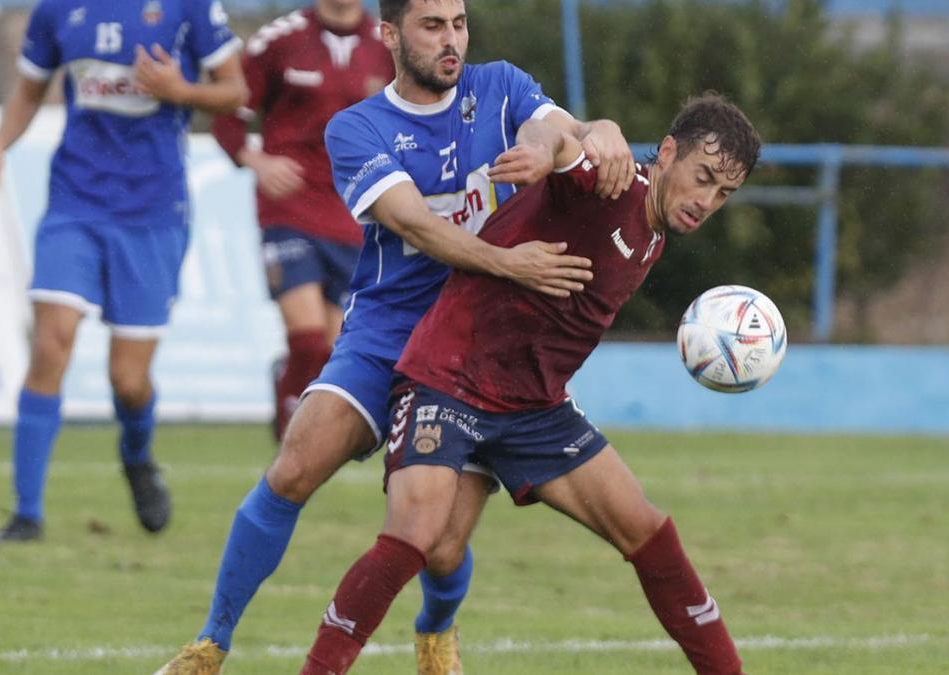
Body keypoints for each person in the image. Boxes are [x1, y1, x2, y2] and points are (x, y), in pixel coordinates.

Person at [156, 0, 635, 672]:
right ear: (390, 35)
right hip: (387, 332)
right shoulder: (356, 127)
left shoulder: (500, 87)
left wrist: (599, 130)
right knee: (294, 465)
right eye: (432, 25)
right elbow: (413, 223)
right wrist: (508, 261)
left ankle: (436, 631)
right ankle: (210, 643)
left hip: (477, 347)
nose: (451, 40)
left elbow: (567, 130)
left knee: (438, 546)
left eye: (459, 24)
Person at [298, 93, 761, 675]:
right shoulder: (612, 184)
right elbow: (564, 142)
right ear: (668, 152)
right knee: (418, 535)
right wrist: (546, 150)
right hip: (450, 377)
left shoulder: (654, 233)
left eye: (724, 194)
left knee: (646, 530)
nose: (707, 200)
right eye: (703, 178)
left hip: (533, 407)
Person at [0, 0, 247, 542]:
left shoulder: (188, 7)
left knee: (129, 379)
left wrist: (183, 93)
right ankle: (27, 514)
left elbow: (235, 92)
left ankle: (137, 457)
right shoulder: (57, 10)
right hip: (75, 202)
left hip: (153, 211)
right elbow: (29, 89)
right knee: (52, 342)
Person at [210, 0, 394, 442]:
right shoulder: (278, 41)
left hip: (355, 215)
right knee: (308, 339)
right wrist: (255, 159)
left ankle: (288, 383)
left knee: (331, 355)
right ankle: (291, 434)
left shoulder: (387, 47)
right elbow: (228, 114)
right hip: (288, 210)